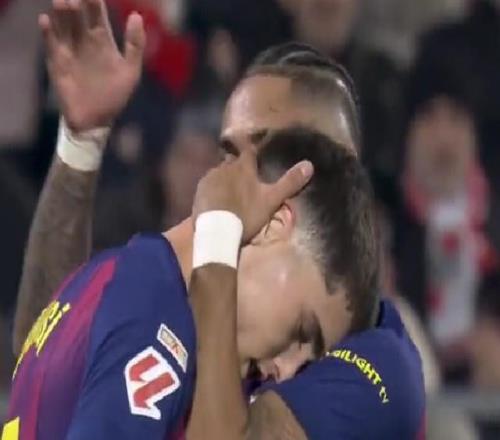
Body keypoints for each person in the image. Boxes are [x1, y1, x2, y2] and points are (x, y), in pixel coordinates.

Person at [10, 0, 425, 437]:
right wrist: (82, 144)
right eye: (230, 152)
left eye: (275, 157)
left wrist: (216, 248)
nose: (238, 179)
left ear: (335, 179)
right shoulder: (152, 292)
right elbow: (47, 350)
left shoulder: (377, 363)